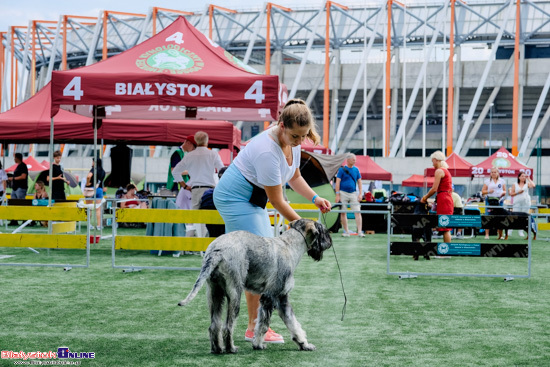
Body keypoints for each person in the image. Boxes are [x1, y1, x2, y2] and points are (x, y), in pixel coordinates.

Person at [213, 98, 331, 345]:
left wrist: (316, 198)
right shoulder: (267, 150)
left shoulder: (294, 142)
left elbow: (295, 177)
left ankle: (255, 324)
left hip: (252, 200)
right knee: (264, 259)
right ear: (281, 125)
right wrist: (309, 227)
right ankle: (254, 327)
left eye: (304, 136)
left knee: (264, 257)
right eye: (295, 136)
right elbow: (277, 201)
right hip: (235, 199)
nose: (299, 142)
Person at [421, 150, 453, 244]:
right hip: (446, 198)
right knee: (445, 226)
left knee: (445, 227)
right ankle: (446, 252)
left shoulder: (439, 171)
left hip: (443, 199)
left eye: (432, 161)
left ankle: (446, 252)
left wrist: (425, 198)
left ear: (436, 160)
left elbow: (434, 189)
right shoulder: (445, 170)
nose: (432, 163)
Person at [335, 153, 364, 237]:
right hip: (343, 193)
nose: (355, 160)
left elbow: (359, 181)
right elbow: (338, 182)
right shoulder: (341, 170)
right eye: (353, 159)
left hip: (353, 193)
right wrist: (337, 194)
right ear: (348, 160)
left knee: (357, 211)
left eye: (355, 159)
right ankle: (346, 231)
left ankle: (359, 231)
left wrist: (360, 194)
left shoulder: (356, 170)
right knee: (343, 212)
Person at [481, 167, 506, 240]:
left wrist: (503, 194)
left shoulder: (502, 181)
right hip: (490, 201)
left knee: (500, 217)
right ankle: (487, 234)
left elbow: (505, 191)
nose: (493, 173)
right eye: (492, 172)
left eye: (495, 172)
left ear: (498, 173)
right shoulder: (487, 181)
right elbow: (483, 192)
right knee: (487, 216)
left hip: (499, 201)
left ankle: (500, 235)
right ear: (490, 173)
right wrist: (489, 191)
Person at [510, 172, 536, 240]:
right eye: (522, 176)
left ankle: (521, 231)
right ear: (519, 177)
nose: (524, 177)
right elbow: (511, 193)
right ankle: (510, 231)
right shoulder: (515, 184)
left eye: (524, 176)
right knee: (515, 216)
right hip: (517, 202)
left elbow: (533, 185)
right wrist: (518, 192)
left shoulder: (527, 184)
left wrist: (529, 179)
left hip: (526, 202)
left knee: (524, 217)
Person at [85, 157, 106, 230]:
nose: (92, 163)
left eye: (93, 161)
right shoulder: (103, 171)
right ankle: (99, 225)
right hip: (99, 190)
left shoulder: (93, 169)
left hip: (91, 190)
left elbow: (88, 176)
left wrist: (88, 183)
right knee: (98, 208)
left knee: (89, 208)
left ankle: (89, 224)